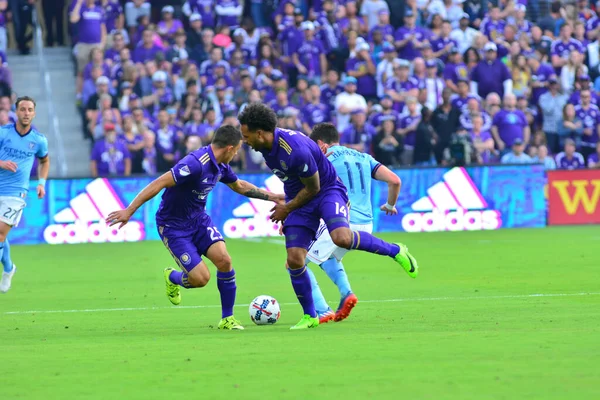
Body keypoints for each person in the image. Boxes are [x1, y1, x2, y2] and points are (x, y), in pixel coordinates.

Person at [238, 103, 419, 330]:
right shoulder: (266, 147)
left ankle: (396, 251)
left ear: (259, 133)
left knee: (341, 237)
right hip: (300, 197)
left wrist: (287, 208)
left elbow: (314, 188)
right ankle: (311, 315)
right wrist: (287, 207)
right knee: (295, 259)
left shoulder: (296, 150)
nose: (244, 141)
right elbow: (294, 182)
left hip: (327, 191)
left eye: (246, 136)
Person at [106, 125, 285, 330]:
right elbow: (159, 182)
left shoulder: (221, 166)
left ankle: (227, 319)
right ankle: (172, 276)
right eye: (236, 150)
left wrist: (273, 197)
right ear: (228, 148)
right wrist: (129, 210)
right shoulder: (195, 164)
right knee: (201, 279)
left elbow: (240, 186)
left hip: (199, 220)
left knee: (224, 260)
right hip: (173, 226)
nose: (236, 155)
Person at [305, 123, 403, 323]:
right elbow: (394, 180)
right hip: (366, 225)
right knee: (327, 258)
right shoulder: (364, 157)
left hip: (340, 221)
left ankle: (322, 310)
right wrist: (390, 205)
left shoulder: (324, 158)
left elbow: (313, 191)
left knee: (295, 261)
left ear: (320, 143)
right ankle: (346, 293)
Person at [0, 96, 49, 293]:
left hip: (16, 194)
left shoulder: (38, 140)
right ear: (16, 112)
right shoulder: (3, 133)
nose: (26, 113)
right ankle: (9, 268)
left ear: (34, 113)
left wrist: (41, 183)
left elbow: (44, 161)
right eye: (22, 109)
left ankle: (8, 269)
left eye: (30, 110)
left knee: (0, 233)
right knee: (1, 236)